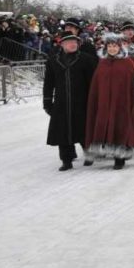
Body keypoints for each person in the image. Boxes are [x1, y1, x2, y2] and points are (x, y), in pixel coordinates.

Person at [84, 34, 134, 169]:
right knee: (105, 125)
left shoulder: (127, 63)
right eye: (110, 46)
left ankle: (120, 157)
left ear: (119, 47)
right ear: (106, 47)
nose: (112, 49)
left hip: (122, 102)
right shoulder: (102, 63)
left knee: (121, 126)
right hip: (104, 103)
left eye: (115, 46)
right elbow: (96, 85)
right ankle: (107, 150)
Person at [43, 31, 99, 171]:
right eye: (69, 42)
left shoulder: (86, 59)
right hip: (61, 102)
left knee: (83, 129)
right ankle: (66, 160)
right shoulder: (53, 60)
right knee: (63, 132)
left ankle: (89, 154)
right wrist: (47, 101)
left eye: (75, 42)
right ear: (62, 44)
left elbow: (94, 82)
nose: (73, 44)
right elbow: (48, 83)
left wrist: (95, 100)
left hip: (82, 101)